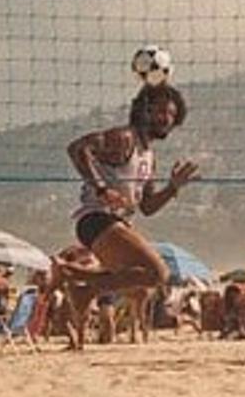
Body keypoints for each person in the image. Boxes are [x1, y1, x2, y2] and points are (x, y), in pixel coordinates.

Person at [60, 83, 198, 308]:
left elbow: (147, 207)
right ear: (145, 111)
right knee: (158, 273)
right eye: (161, 111)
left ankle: (75, 282)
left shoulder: (149, 156)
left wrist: (173, 187)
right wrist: (102, 188)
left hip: (115, 223)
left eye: (172, 114)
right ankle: (80, 284)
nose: (167, 119)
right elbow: (77, 148)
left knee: (147, 279)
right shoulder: (124, 138)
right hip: (96, 219)